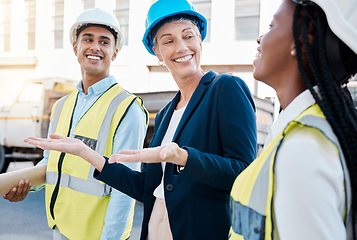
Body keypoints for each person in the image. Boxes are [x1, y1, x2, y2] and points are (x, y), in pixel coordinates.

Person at [24, 0, 257, 239]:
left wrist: (184, 157)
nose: (181, 47)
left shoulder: (225, 88)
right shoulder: (167, 113)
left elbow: (245, 173)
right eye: (168, 41)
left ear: (200, 40)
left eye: (188, 36)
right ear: (156, 52)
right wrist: (86, 153)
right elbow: (147, 188)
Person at [3, 8, 148, 240]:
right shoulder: (61, 106)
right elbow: (52, 164)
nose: (95, 47)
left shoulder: (127, 108)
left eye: (104, 41)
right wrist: (26, 185)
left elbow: (125, 189)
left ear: (115, 52)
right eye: (88, 39)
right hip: (60, 229)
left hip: (99, 235)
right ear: (75, 47)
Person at [230, 0, 357, 239]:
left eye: (271, 26)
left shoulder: (304, 147)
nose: (260, 38)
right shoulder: (301, 130)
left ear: (301, 39)